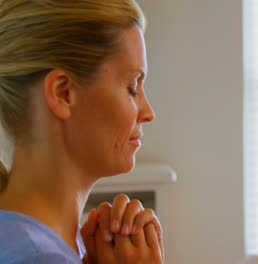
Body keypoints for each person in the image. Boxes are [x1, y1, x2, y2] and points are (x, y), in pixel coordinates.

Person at [0, 0, 163, 263]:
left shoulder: (36, 238)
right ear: (63, 93)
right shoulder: (38, 256)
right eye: (132, 87)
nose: (148, 112)